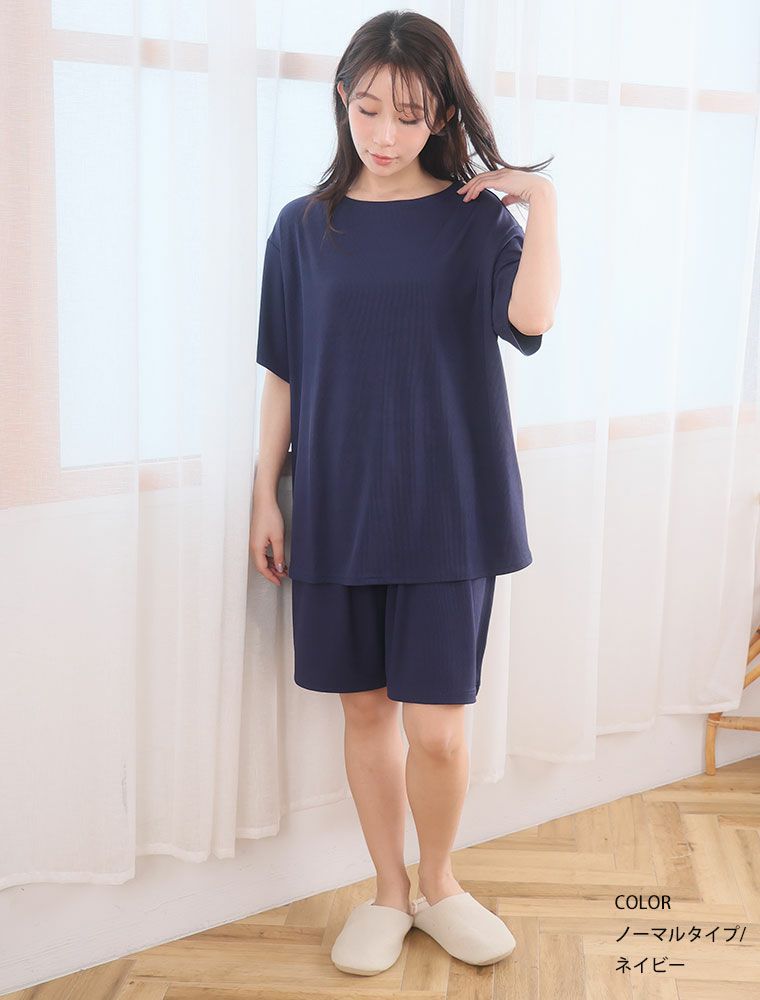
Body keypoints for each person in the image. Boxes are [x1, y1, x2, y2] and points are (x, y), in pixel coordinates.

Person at [250, 9, 560, 977]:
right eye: (369, 110)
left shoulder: (474, 222)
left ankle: (440, 883)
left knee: (437, 728)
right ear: (342, 99)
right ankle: (389, 891)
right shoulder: (303, 228)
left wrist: (541, 201)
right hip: (337, 500)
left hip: (449, 503)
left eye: (411, 115)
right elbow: (283, 372)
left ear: (442, 117)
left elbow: (533, 319)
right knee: (365, 714)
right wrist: (265, 494)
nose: (385, 134)